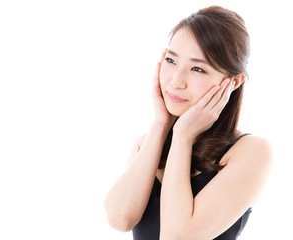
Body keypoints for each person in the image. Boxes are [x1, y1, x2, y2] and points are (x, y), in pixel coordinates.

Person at [104, 5, 273, 240]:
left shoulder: (251, 151)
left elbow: (177, 236)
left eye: (197, 68)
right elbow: (119, 219)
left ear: (233, 82)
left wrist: (183, 137)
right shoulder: (148, 142)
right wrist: (161, 125)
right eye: (171, 61)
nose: (176, 81)